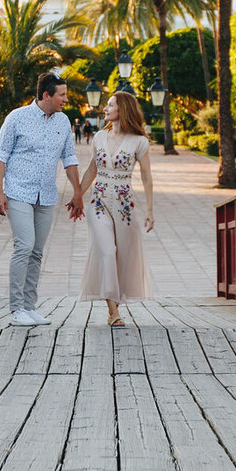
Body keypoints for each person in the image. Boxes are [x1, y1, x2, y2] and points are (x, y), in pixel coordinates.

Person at [0, 74, 84, 326]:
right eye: (62, 95)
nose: (66, 99)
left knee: (37, 251)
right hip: (18, 192)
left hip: (46, 195)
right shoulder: (16, 118)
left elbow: (70, 158)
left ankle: (30, 307)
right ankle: (16, 308)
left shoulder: (63, 122)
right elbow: (0, 156)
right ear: (46, 96)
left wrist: (78, 192)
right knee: (24, 245)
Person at [74, 90, 154, 327]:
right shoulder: (99, 137)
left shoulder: (139, 141)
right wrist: (78, 195)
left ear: (123, 110)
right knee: (107, 251)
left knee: (123, 256)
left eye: (110, 105)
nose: (105, 109)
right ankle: (113, 312)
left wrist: (150, 211)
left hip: (125, 205)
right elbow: (91, 170)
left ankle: (114, 307)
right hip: (98, 202)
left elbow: (147, 178)